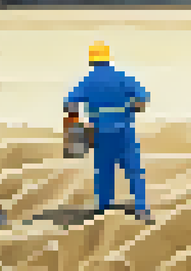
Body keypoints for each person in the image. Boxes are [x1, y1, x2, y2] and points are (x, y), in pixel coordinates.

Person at [64, 42, 152, 223]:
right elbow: (143, 99)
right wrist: (130, 109)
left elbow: (70, 104)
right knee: (134, 170)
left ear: (91, 60)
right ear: (108, 59)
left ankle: (104, 207)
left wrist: (75, 125)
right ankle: (141, 208)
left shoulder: (87, 81)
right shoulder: (122, 78)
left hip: (100, 132)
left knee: (104, 170)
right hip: (124, 131)